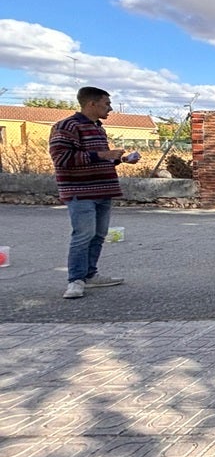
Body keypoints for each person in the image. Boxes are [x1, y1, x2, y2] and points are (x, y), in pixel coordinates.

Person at [49, 86, 139, 299]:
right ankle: (75, 280)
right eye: (106, 104)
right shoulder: (67, 126)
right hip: (80, 192)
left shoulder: (98, 128)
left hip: (103, 190)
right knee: (83, 235)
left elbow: (96, 158)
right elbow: (62, 159)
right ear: (91, 103)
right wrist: (103, 154)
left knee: (99, 235)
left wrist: (121, 159)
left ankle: (90, 275)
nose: (110, 108)